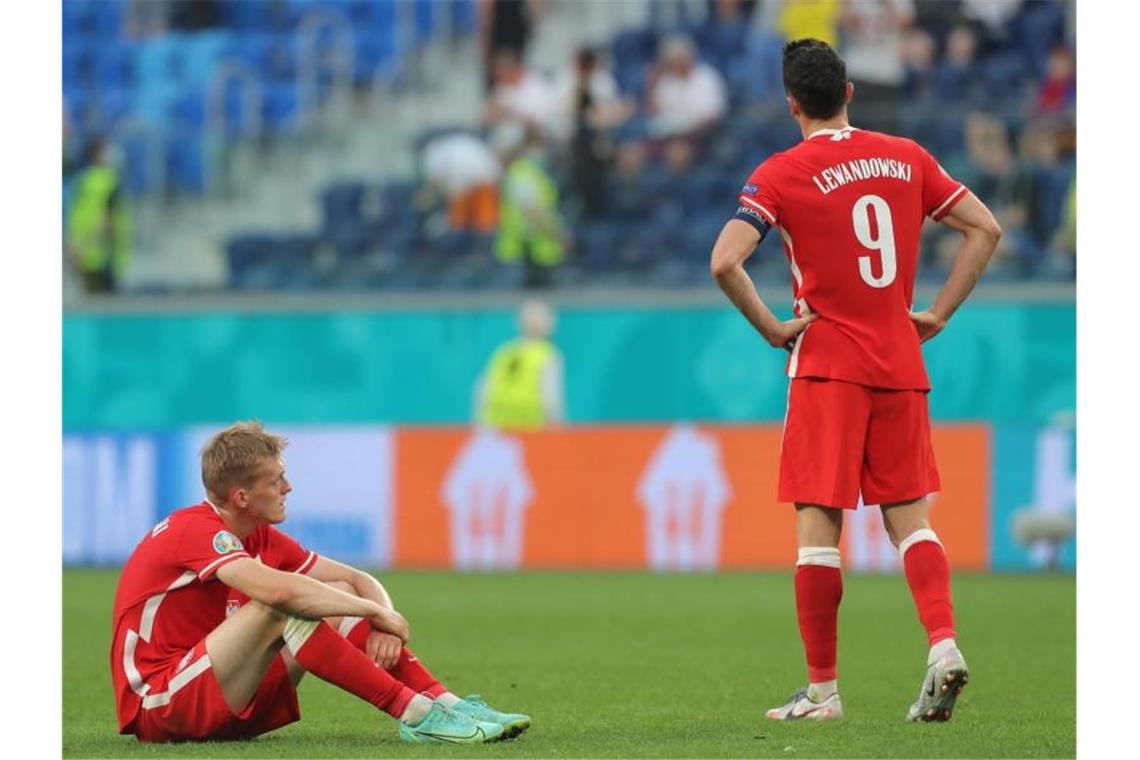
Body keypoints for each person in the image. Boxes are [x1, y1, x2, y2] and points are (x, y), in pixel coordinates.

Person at [709, 39, 1001, 722]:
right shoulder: (906, 156)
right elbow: (983, 228)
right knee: (912, 520)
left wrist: (773, 328)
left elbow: (725, 261)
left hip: (828, 366)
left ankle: (822, 692)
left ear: (792, 105)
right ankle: (942, 645)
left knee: (818, 530)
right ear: (849, 93)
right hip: (900, 359)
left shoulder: (781, 173)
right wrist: (936, 313)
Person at [110, 421, 531, 744]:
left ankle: (447, 704)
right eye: (276, 479)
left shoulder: (256, 534)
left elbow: (354, 579)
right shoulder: (195, 531)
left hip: (222, 695)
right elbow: (281, 593)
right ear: (241, 497)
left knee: (336, 596)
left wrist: (383, 617)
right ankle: (417, 715)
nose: (287, 486)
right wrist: (373, 611)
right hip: (161, 703)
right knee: (284, 605)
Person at [492, 122, 566, 288]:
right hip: (522, 253)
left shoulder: (534, 172)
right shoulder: (522, 173)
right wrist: (559, 235)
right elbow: (533, 210)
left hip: (537, 252)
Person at [474, 299, 565, 431]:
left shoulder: (505, 351)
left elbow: (482, 390)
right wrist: (557, 430)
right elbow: (551, 400)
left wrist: (481, 426)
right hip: (531, 429)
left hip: (497, 428)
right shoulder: (548, 354)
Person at [66, 138, 131, 294]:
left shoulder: (80, 181)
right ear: (97, 154)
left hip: (83, 253)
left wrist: (75, 247)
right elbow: (108, 221)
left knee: (89, 306)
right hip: (105, 255)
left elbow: (73, 216)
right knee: (104, 309)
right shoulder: (109, 182)